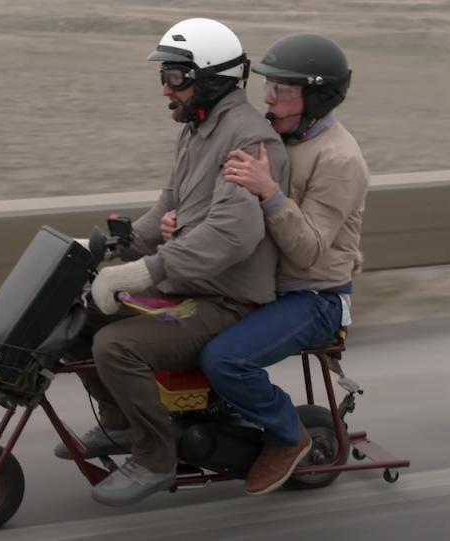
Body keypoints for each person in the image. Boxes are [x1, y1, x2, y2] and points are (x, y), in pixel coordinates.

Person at [55, 18, 289, 507]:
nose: (166, 87)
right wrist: (108, 254)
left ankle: (155, 459)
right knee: (79, 319)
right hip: (187, 285)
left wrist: (144, 271)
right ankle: (121, 425)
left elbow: (233, 232)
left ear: (209, 77)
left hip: (225, 299)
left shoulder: (249, 141)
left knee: (116, 346)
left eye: (176, 77)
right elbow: (165, 208)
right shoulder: (199, 128)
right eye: (165, 75)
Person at [160, 32, 370, 496]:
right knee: (161, 324)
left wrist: (269, 191)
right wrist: (182, 226)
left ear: (316, 95)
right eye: (268, 85)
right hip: (261, 287)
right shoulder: (272, 136)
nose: (269, 98)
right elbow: (230, 218)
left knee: (225, 358)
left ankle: (285, 434)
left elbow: (309, 251)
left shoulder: (340, 159)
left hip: (314, 297)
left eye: (284, 89)